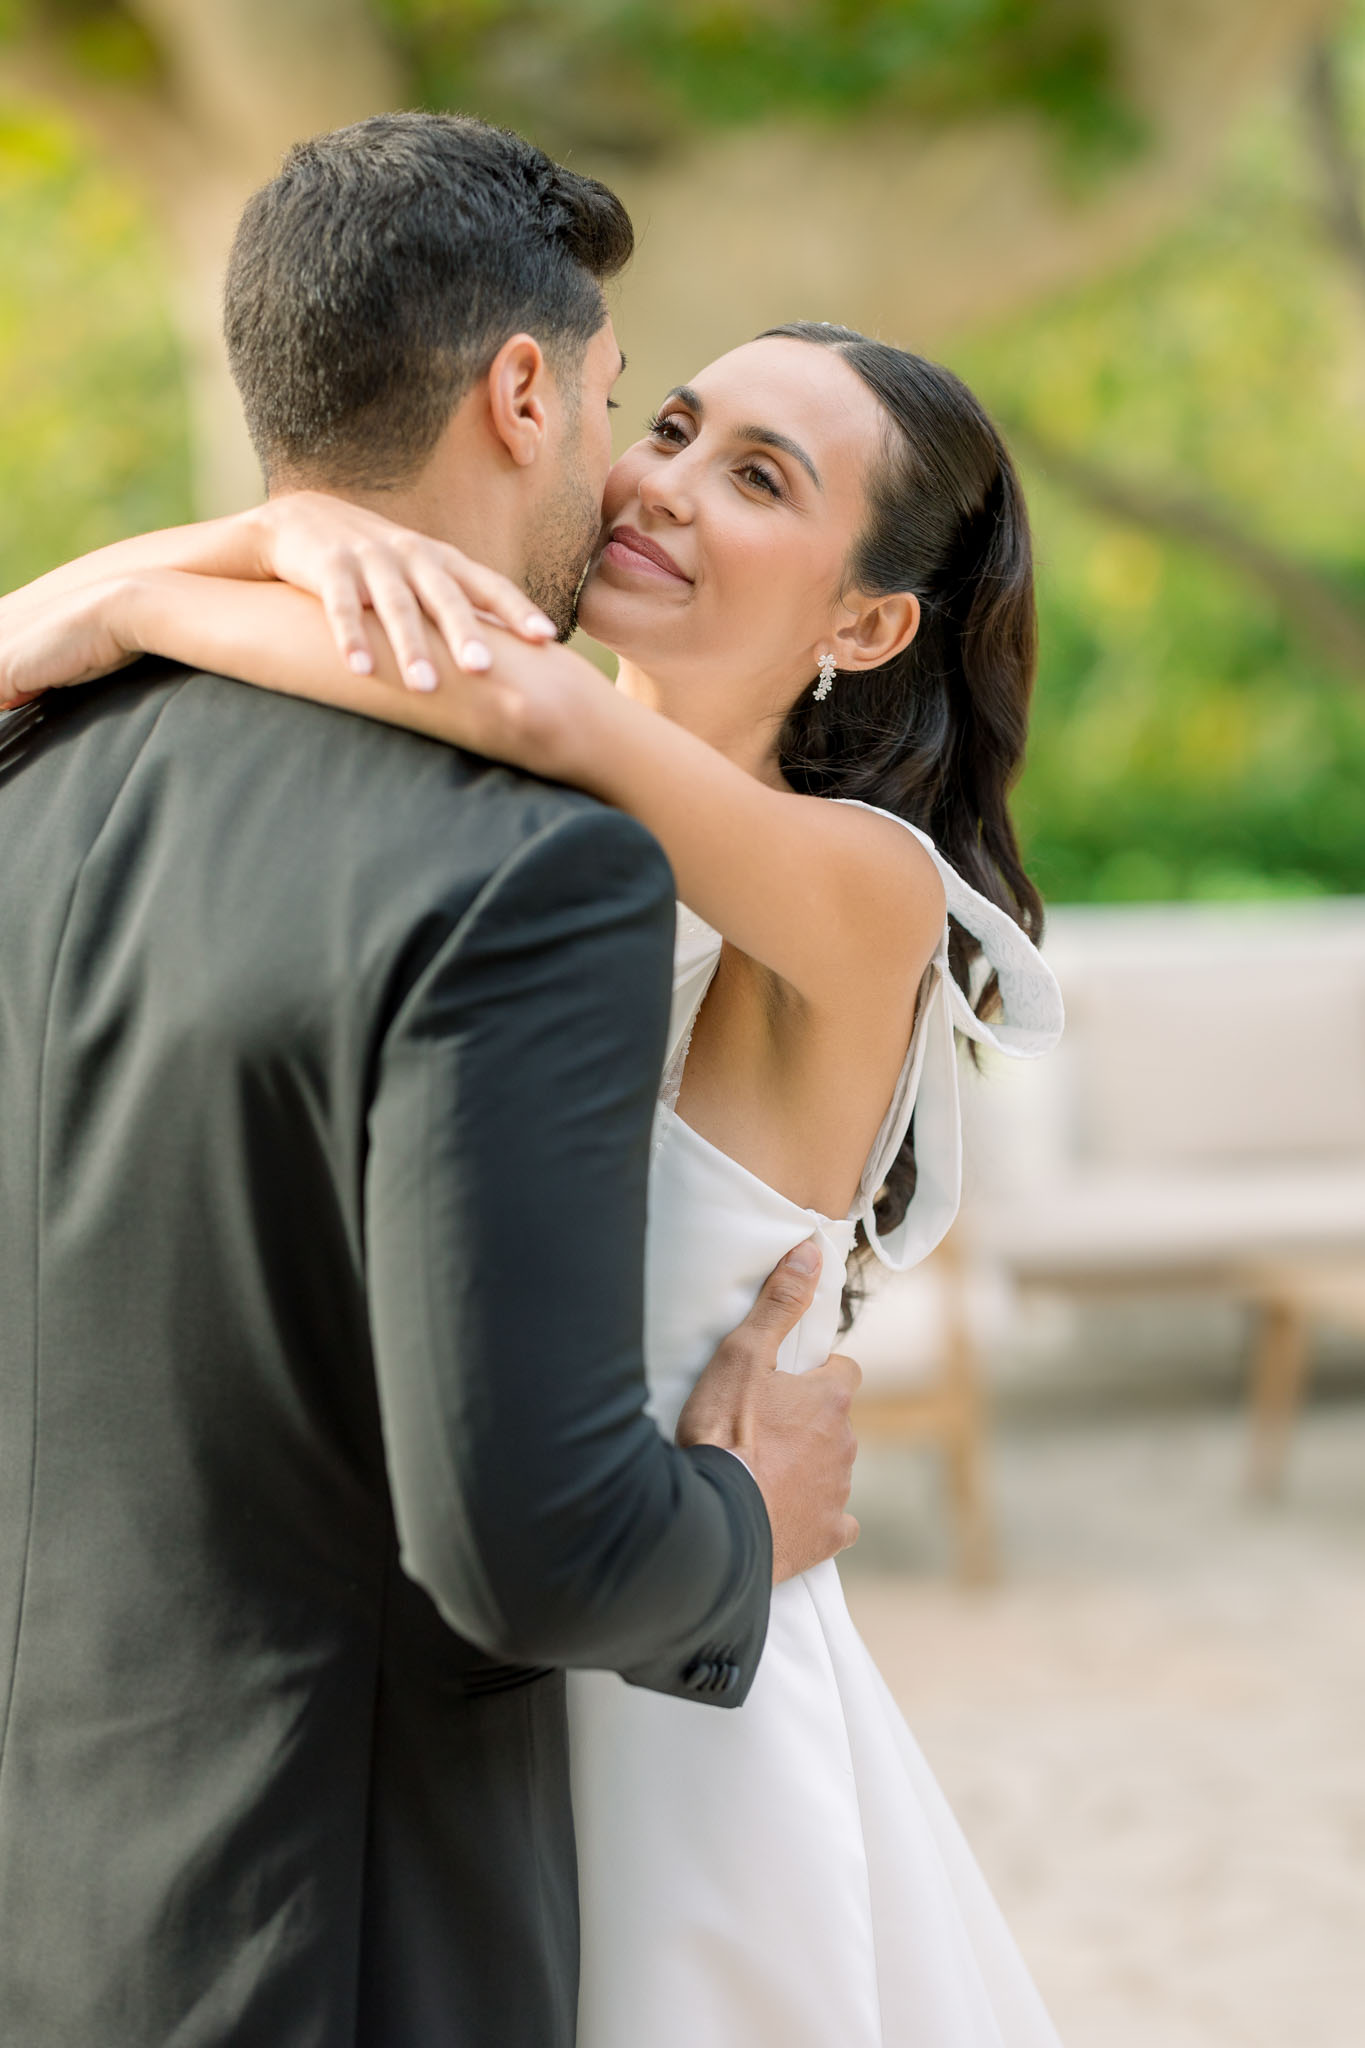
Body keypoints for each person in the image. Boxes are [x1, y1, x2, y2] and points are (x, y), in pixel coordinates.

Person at [0, 115, 871, 2048]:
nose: (626, 477)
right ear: (521, 386)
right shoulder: (527, 867)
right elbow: (528, 1551)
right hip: (333, 1930)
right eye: (629, 410)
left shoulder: (32, 766)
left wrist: (127, 593)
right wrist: (750, 1515)